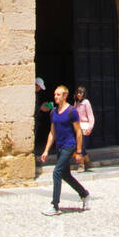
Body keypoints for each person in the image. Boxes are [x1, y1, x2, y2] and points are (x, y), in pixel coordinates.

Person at [40, 85, 90, 215]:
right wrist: (46, 151)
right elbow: (52, 133)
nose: (55, 96)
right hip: (60, 147)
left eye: (58, 94)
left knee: (56, 172)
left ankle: (55, 206)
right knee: (65, 175)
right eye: (55, 94)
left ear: (65, 95)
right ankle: (84, 194)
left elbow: (78, 132)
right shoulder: (54, 112)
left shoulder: (72, 111)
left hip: (69, 146)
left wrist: (79, 152)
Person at [74, 86, 95, 171]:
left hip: (85, 126)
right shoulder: (76, 103)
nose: (79, 94)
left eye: (81, 93)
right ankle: (87, 161)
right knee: (78, 145)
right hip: (77, 126)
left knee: (82, 146)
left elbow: (90, 116)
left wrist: (90, 127)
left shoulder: (86, 102)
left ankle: (81, 164)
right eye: (78, 92)